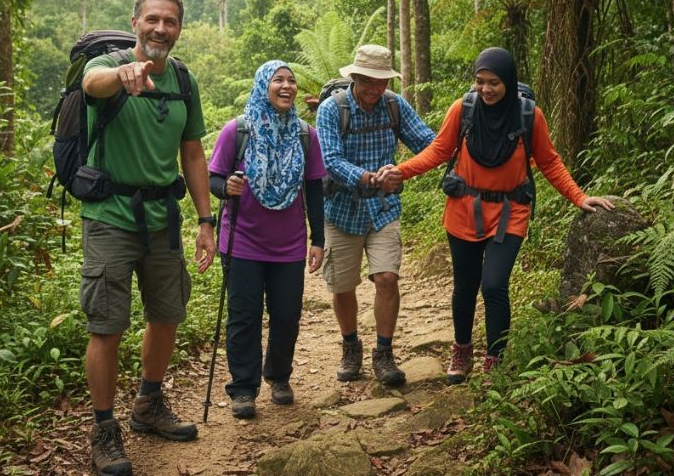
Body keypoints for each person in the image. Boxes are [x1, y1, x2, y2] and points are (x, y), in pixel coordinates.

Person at [377, 47, 614, 384]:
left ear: (508, 81)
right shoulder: (463, 110)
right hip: (463, 210)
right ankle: (462, 350)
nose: (486, 89)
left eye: (494, 83)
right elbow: (439, 150)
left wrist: (579, 196)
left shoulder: (529, 116)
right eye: (480, 81)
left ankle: (495, 359)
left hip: (510, 212)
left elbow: (549, 161)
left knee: (494, 284)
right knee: (465, 286)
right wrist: (401, 171)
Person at [80, 0, 216, 476]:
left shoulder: (183, 79)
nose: (161, 28)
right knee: (107, 325)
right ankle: (104, 429)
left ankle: (148, 404)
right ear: (135, 22)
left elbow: (193, 152)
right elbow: (91, 85)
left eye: (170, 21)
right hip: (109, 217)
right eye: (152, 19)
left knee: (167, 313)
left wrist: (205, 221)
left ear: (179, 29)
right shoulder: (108, 66)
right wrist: (120, 76)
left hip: (163, 219)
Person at [208, 60, 326, 419]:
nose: (287, 86)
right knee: (244, 316)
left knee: (287, 315)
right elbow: (214, 179)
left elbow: (314, 189)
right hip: (242, 240)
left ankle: (278, 376)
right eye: (278, 80)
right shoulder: (237, 130)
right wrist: (226, 187)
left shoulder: (306, 135)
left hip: (289, 244)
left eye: (291, 80)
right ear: (264, 86)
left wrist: (318, 239)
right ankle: (243, 388)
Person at [316, 44, 435, 387]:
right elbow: (330, 160)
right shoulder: (331, 109)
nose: (374, 88)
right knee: (343, 286)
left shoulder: (394, 105)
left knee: (386, 278)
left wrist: (402, 171)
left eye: (381, 81)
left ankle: (384, 352)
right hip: (341, 209)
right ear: (354, 76)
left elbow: (429, 144)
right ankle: (350, 345)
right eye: (368, 80)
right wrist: (368, 178)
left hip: (383, 208)